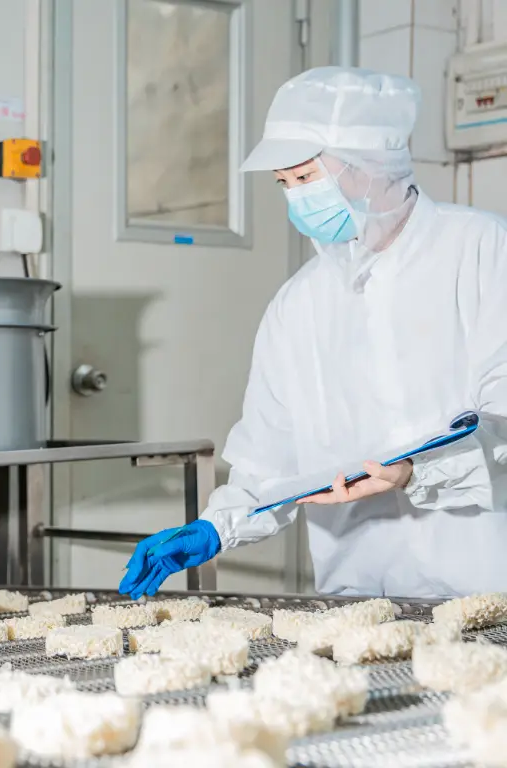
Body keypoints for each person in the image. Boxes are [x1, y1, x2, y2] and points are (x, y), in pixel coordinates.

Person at [119, 66, 507, 600]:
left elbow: (502, 417)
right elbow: (268, 457)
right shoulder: (298, 304)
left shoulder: (481, 250)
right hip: (358, 599)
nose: (296, 199)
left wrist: (416, 471)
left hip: (485, 588)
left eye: (306, 177)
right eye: (284, 184)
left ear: (372, 165)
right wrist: (217, 526)